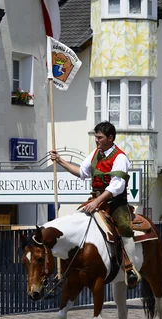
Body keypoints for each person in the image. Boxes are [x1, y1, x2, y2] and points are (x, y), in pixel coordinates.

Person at [50, 121, 141, 289]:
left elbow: (116, 186)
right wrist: (60, 161)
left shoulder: (120, 157)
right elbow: (82, 173)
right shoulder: (95, 154)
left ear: (110, 138)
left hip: (115, 202)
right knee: (76, 220)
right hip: (95, 199)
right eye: (95, 137)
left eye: (99, 137)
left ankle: (130, 269)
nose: (96, 140)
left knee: (124, 227)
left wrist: (97, 202)